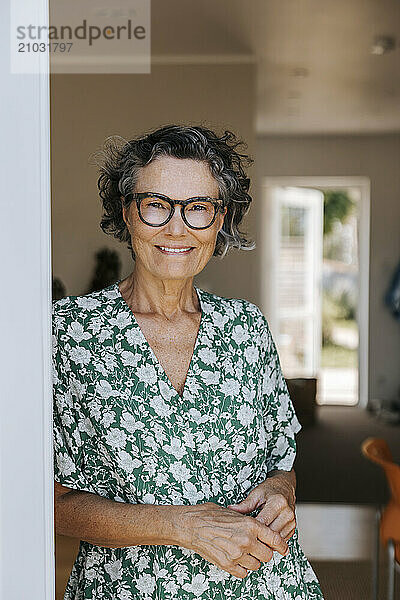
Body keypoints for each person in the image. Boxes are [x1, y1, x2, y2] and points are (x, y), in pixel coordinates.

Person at [53, 124, 324, 599]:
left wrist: (282, 493)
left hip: (264, 584)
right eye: (156, 205)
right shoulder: (68, 333)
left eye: (198, 208)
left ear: (221, 221)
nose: (177, 229)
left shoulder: (245, 327)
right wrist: (182, 525)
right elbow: (51, 502)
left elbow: (281, 461)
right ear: (127, 212)